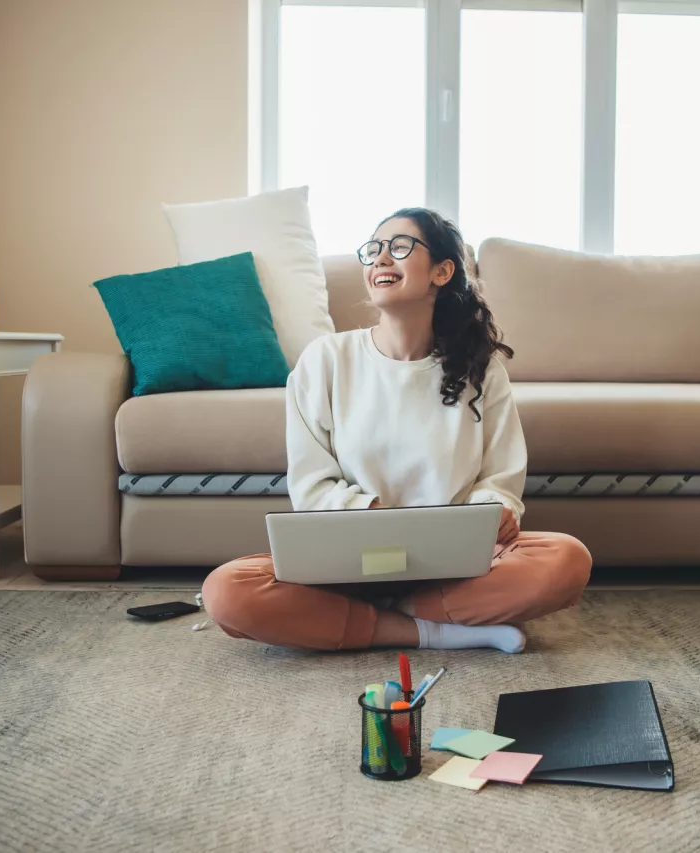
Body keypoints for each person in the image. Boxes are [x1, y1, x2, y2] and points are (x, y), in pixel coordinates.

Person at [201, 208, 592, 653]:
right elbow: (311, 485)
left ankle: (373, 617)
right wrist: (375, 517)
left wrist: (494, 511)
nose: (382, 258)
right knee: (226, 590)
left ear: (442, 272)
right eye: (374, 249)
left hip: (455, 565)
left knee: (566, 560)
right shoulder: (325, 360)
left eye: (400, 247)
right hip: (348, 563)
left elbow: (500, 478)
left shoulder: (481, 370)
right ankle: (434, 629)